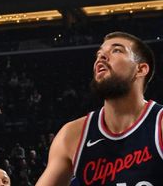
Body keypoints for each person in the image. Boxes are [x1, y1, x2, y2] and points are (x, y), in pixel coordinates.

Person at [36, 32, 161, 185]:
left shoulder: (159, 125)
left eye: (116, 50)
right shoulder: (71, 135)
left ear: (140, 69)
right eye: (99, 54)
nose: (101, 57)